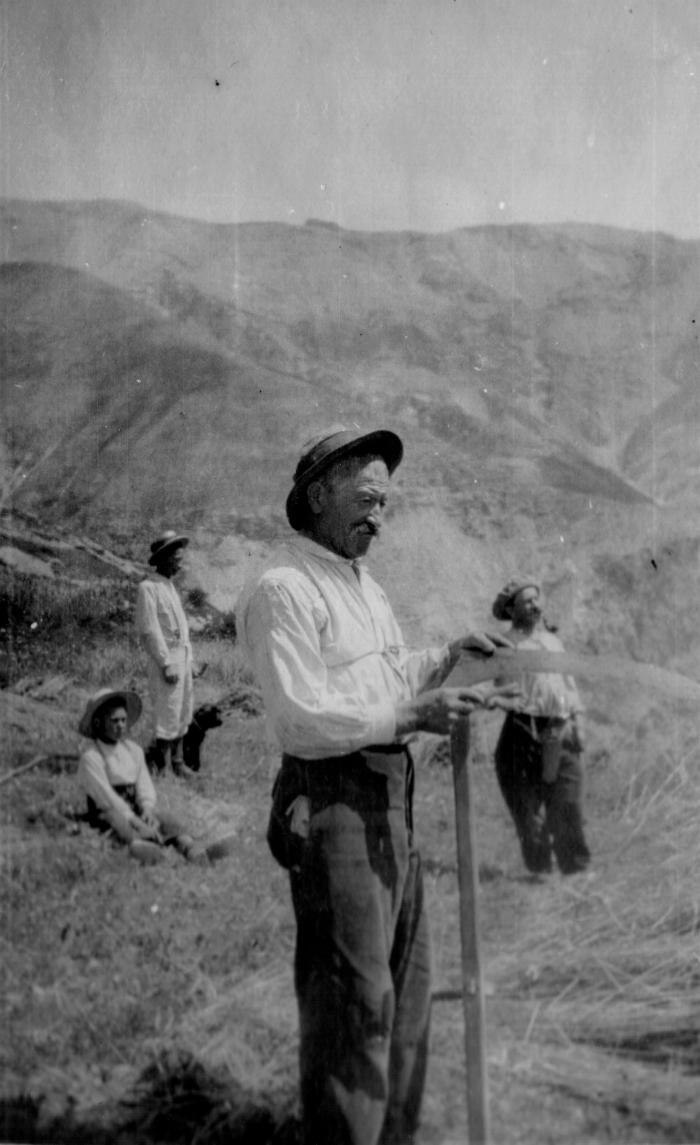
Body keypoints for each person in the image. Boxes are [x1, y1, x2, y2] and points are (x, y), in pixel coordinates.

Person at [237, 426, 513, 1145]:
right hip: (334, 801)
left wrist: (446, 655)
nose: (378, 517)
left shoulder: (364, 585)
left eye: (386, 504)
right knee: (353, 1004)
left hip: (394, 797)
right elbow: (302, 716)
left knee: (407, 997)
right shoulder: (283, 589)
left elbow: (384, 675)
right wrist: (412, 712)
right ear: (318, 495)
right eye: (366, 499)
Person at [491, 578, 591, 876]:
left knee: (567, 800)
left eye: (537, 599)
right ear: (512, 610)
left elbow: (569, 686)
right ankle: (540, 871)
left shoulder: (553, 642)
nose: (535, 606)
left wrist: (578, 721)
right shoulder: (506, 646)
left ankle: (576, 868)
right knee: (526, 807)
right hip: (522, 729)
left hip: (560, 727)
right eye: (527, 602)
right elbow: (501, 687)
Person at [77, 687, 200, 863]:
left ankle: (190, 848)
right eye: (114, 721)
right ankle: (145, 850)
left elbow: (144, 784)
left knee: (165, 818)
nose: (120, 726)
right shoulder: (92, 756)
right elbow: (106, 796)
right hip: (107, 811)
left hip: (135, 809)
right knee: (117, 823)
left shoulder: (133, 750)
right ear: (98, 723)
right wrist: (135, 822)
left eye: (123, 720)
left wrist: (147, 810)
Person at [135, 530, 196, 777]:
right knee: (167, 711)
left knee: (183, 709)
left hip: (180, 657)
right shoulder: (148, 588)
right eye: (176, 559)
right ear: (163, 558)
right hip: (166, 660)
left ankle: (178, 762)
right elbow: (149, 630)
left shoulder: (169, 587)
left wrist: (189, 660)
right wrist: (164, 662)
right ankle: (161, 765)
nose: (179, 564)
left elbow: (181, 629)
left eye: (181, 559)